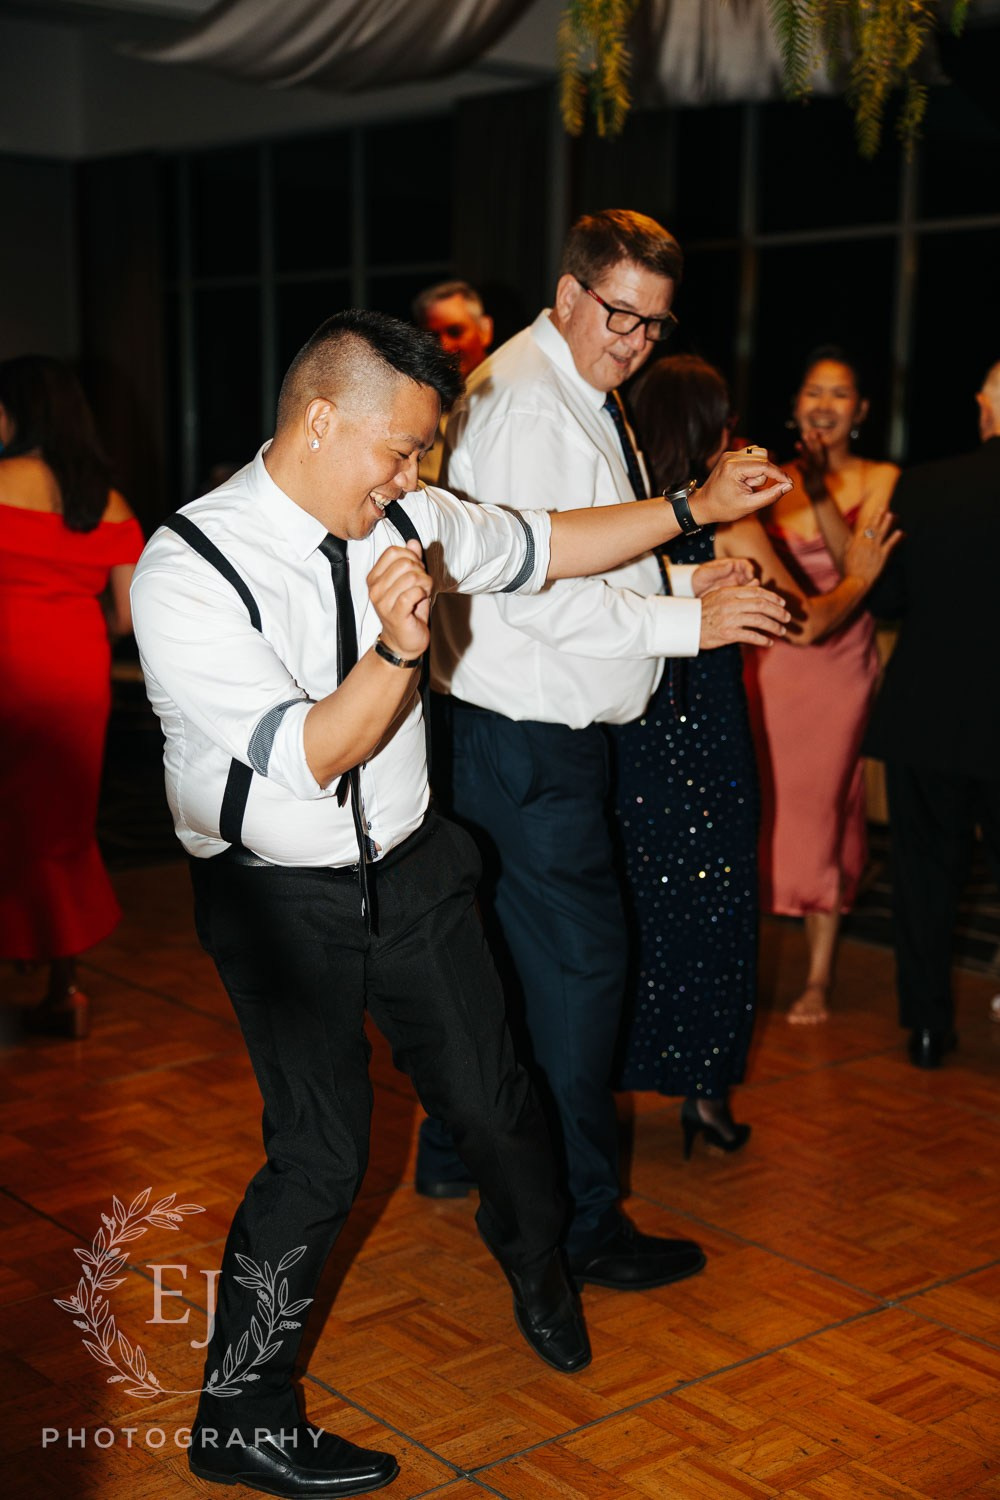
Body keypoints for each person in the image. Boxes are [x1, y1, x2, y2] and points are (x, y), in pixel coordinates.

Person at [130, 308, 793, 1499]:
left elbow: (540, 543)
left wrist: (689, 513)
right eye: (399, 451)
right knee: (321, 1155)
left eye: (422, 457)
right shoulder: (191, 568)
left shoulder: (404, 510)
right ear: (322, 419)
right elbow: (312, 756)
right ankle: (240, 1415)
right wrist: (393, 651)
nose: (413, 479)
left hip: (415, 867)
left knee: (497, 1103)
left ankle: (540, 1268)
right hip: (277, 897)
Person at [421, 209, 792, 1288]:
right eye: (619, 314)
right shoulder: (534, 406)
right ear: (571, 291)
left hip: (506, 735)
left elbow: (583, 562)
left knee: (500, 971)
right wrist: (689, 625)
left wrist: (684, 581)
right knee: (582, 981)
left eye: (653, 324)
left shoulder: (569, 387)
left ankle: (453, 1156)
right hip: (529, 742)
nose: (634, 341)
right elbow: (529, 600)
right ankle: (581, 1225)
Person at [611, 355, 899, 1152]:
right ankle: (704, 1093)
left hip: (632, 726)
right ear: (709, 427)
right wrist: (863, 577)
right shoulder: (726, 520)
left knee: (638, 902)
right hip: (704, 728)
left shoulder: (625, 512)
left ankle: (616, 1071)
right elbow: (803, 622)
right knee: (717, 904)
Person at [743, 346, 899, 1024]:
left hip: (839, 666)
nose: (824, 406)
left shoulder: (881, 476)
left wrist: (816, 490)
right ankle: (745, 954)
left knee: (823, 806)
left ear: (860, 412)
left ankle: (817, 975)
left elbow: (855, 569)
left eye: (839, 395)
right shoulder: (763, 477)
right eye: (814, 392)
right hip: (770, 661)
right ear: (795, 406)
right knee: (759, 799)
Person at [0, 355, 143, 1040]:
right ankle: (67, 988)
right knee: (61, 828)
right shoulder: (109, 502)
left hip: (9, 669)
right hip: (77, 675)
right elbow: (127, 618)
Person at [864, 362, 1000, 1068]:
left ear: (986, 407)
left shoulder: (920, 487)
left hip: (928, 713)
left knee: (922, 877)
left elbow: (887, 602)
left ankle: (925, 1028)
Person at [412, 279, 494, 482]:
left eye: (455, 331)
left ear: (485, 330)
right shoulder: (413, 401)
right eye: (432, 336)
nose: (444, 345)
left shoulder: (507, 394)